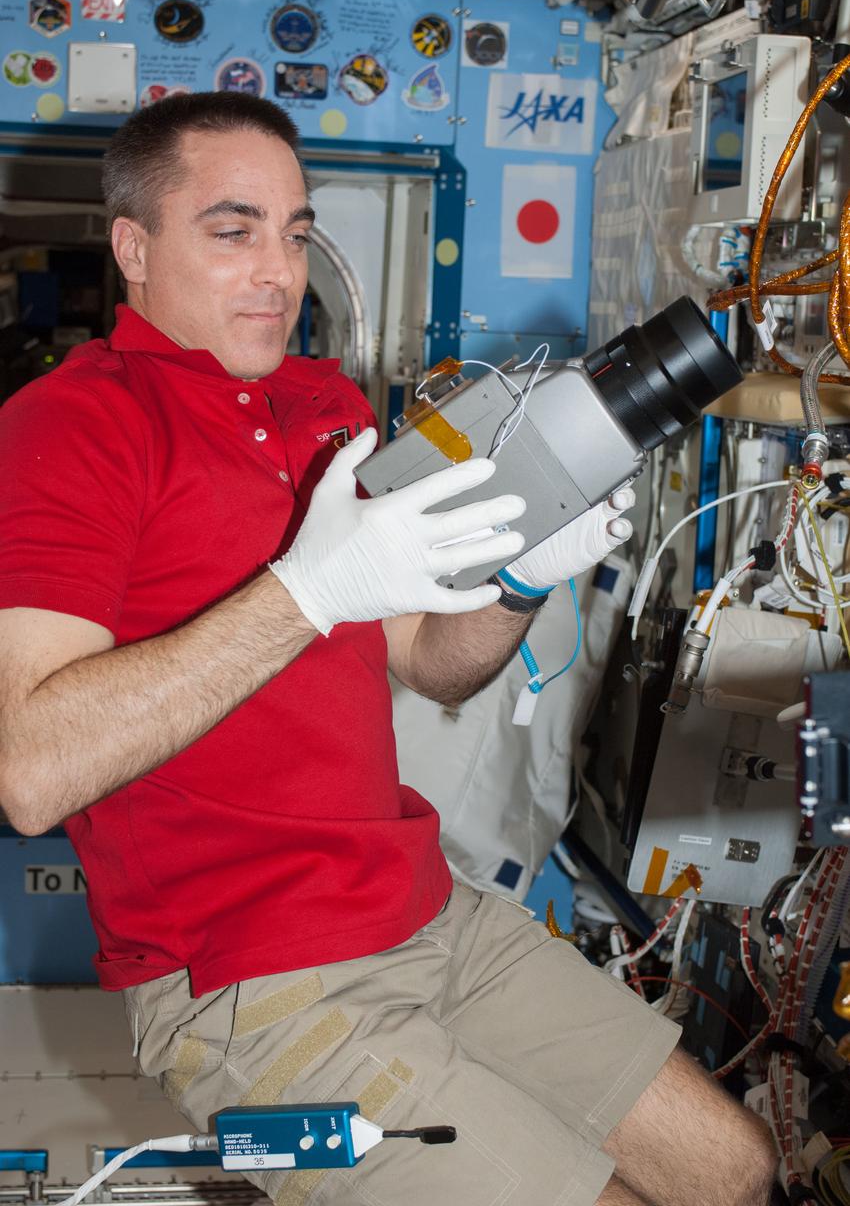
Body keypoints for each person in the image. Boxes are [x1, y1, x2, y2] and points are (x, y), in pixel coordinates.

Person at [0, 92, 776, 1206]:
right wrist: (307, 590)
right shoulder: (69, 426)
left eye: (296, 230)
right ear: (133, 246)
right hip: (251, 978)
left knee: (734, 1169)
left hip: (424, 905)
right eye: (233, 230)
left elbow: (429, 658)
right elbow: (31, 771)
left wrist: (516, 581)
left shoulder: (324, 401)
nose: (278, 268)